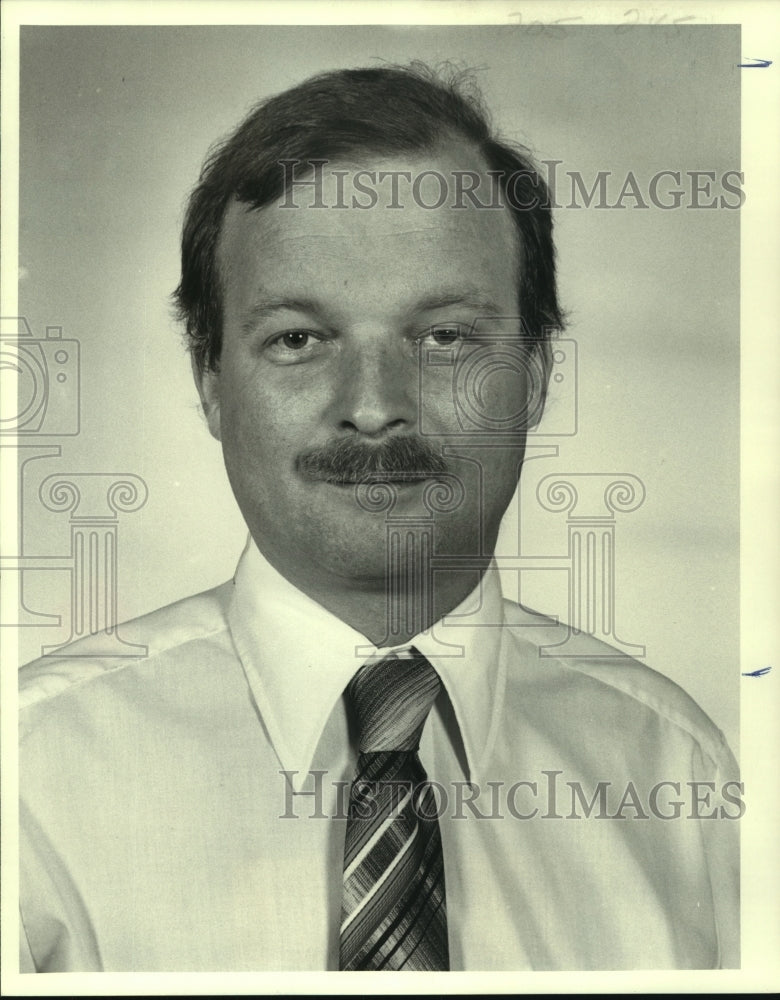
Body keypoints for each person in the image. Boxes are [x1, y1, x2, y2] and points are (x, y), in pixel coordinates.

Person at [19, 63, 739, 973]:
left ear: (540, 375)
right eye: (298, 340)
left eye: (443, 337)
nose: (371, 407)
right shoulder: (30, 776)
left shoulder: (679, 777)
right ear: (209, 381)